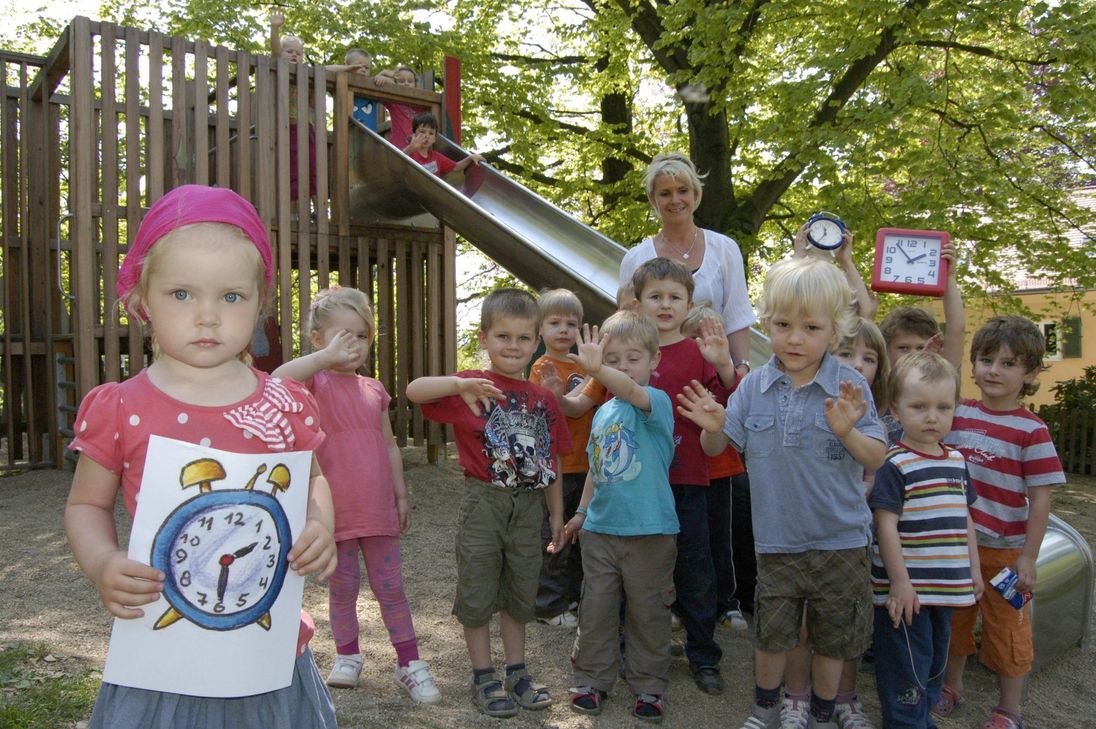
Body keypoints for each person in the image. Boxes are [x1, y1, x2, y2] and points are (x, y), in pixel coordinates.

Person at [63, 185, 338, 729]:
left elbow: (314, 482)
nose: (207, 316)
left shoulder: (286, 403)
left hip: (268, 661)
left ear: (261, 301)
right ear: (143, 299)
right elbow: (86, 507)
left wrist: (320, 525)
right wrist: (102, 564)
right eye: (182, 294)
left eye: (231, 296)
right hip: (162, 665)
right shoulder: (120, 408)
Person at [677, 256, 887, 729]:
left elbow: (875, 458)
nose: (795, 337)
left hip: (841, 540)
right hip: (776, 543)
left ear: (835, 332)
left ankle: (821, 711)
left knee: (833, 639)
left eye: (811, 327)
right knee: (775, 635)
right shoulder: (753, 386)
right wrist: (711, 427)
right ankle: (770, 707)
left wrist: (848, 432)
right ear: (767, 322)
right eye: (783, 324)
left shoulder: (849, 386)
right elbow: (718, 448)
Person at [272, 286, 440, 703]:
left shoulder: (374, 389)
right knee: (342, 588)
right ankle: (348, 656)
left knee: (391, 587)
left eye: (361, 336)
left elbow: (388, 446)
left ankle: (409, 663)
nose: (354, 344)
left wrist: (401, 495)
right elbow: (276, 380)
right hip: (334, 513)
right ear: (317, 339)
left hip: (377, 508)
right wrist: (323, 360)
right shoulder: (313, 381)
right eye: (342, 336)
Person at [406, 288, 569, 718]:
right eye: (502, 337)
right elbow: (413, 391)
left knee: (520, 592)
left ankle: (516, 670)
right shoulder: (470, 386)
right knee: (477, 591)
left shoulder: (544, 400)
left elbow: (551, 458)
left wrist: (556, 513)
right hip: (484, 503)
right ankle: (482, 675)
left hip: (530, 504)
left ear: (536, 341)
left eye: (521, 338)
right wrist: (458, 384)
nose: (512, 347)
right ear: (484, 337)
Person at [937, 316, 1065, 729]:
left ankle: (1010, 709)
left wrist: (1029, 557)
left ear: (1029, 374)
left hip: (1006, 553)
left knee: (1009, 628)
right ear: (973, 364)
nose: (994, 370)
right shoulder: (955, 414)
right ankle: (950, 686)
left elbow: (1041, 500)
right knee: (955, 620)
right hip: (957, 547)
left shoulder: (1033, 431)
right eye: (986, 359)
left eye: (1009, 364)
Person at [561, 313, 678, 724]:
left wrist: (600, 370)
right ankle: (592, 678)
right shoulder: (602, 413)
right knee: (596, 609)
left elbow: (628, 387)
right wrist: (580, 514)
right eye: (613, 358)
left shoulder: (655, 402)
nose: (622, 367)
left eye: (632, 358)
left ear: (653, 360)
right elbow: (597, 466)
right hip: (600, 531)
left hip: (650, 532)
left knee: (648, 611)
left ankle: (649, 684)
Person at [632, 257, 739, 695]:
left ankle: (703, 654)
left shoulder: (699, 353)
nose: (664, 304)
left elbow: (729, 404)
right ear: (638, 303)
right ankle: (638, 650)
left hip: (690, 481)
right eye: (655, 296)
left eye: (674, 297)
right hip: (638, 484)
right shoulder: (630, 349)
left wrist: (726, 365)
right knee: (641, 572)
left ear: (688, 303)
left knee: (696, 568)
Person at [782, 316, 891, 729]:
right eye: (847, 354)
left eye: (869, 358)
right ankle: (798, 696)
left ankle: (846, 696)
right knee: (803, 623)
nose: (857, 364)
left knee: (845, 625)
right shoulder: (812, 401)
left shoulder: (874, 417)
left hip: (850, 535)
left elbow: (873, 464)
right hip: (804, 532)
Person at [870, 351, 982, 729]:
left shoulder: (956, 461)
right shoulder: (895, 462)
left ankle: (920, 717)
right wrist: (900, 583)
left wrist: (975, 572)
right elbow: (885, 525)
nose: (932, 416)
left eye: (943, 407)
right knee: (906, 666)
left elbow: (965, 519)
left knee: (934, 661)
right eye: (919, 406)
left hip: (947, 587)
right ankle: (906, 722)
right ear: (896, 411)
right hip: (908, 593)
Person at [619, 152, 755, 375]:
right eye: (665, 193)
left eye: (682, 191)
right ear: (654, 199)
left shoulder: (724, 249)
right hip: (656, 375)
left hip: (716, 374)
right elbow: (627, 324)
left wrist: (741, 369)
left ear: (695, 194)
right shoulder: (635, 259)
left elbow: (736, 316)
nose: (675, 200)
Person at [682, 304, 748, 633]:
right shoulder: (680, 372)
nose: (701, 345)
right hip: (686, 471)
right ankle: (686, 602)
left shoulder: (725, 374)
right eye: (693, 338)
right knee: (689, 540)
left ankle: (726, 602)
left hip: (721, 470)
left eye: (709, 337)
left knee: (720, 539)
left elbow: (735, 391)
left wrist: (725, 363)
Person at [527, 289, 587, 629]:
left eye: (571, 324)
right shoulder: (542, 366)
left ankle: (574, 595)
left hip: (585, 461)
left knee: (581, 535)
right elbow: (543, 412)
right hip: (558, 465)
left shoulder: (583, 364)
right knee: (555, 532)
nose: (564, 330)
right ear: (540, 330)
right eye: (555, 323)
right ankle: (548, 604)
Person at [404, 111, 484, 178]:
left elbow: (456, 167)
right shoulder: (410, 153)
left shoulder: (436, 157)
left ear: (434, 139)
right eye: (422, 131)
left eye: (431, 133)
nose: (426, 136)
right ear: (414, 135)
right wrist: (411, 148)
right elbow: (397, 161)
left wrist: (470, 158)